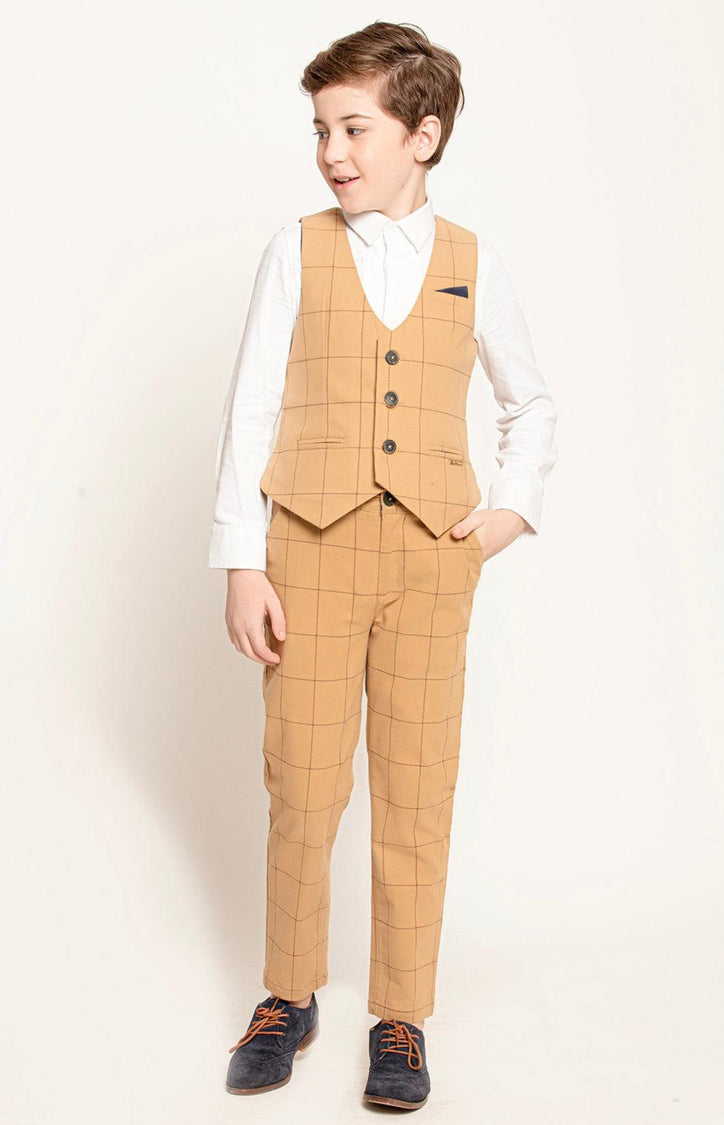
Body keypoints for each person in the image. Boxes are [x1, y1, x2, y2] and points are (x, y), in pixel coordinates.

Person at [208, 20, 558, 1110]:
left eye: (355, 128)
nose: (332, 152)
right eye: (321, 130)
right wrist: (242, 559)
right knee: (304, 786)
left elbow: (532, 402)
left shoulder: (473, 262)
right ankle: (289, 993)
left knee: (416, 789)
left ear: (423, 134)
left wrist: (508, 514)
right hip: (307, 553)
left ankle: (400, 1014)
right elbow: (251, 406)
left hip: (430, 565)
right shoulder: (296, 250)